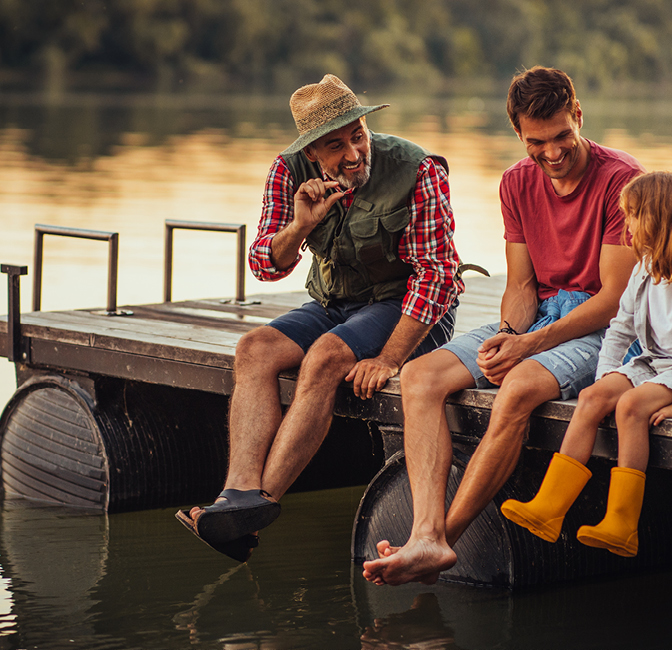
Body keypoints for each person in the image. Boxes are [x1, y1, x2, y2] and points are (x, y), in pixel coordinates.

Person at [361, 67, 646, 585]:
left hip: (608, 329)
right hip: (539, 316)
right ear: (518, 132)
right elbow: (521, 285)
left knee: (517, 388)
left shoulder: (623, 180)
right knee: (419, 377)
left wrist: (530, 346)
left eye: (563, 135)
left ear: (578, 116)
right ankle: (425, 533)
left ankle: (442, 539)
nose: (553, 153)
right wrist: (510, 337)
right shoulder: (516, 181)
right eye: (538, 142)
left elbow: (613, 300)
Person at [176, 74, 461, 561]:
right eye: (336, 146)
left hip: (408, 308)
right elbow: (266, 263)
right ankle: (237, 497)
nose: (353, 154)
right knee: (254, 349)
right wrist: (300, 224)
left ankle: (258, 507)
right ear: (312, 153)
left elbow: (437, 278)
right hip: (334, 303)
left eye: (359, 135)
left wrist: (390, 358)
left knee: (326, 356)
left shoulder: (417, 169)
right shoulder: (286, 172)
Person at [498, 171, 672, 557]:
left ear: (664, 221)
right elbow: (620, 329)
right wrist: (608, 375)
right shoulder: (644, 271)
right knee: (593, 400)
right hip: (653, 364)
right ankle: (549, 507)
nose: (626, 225)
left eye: (633, 215)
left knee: (630, 407)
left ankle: (621, 523)